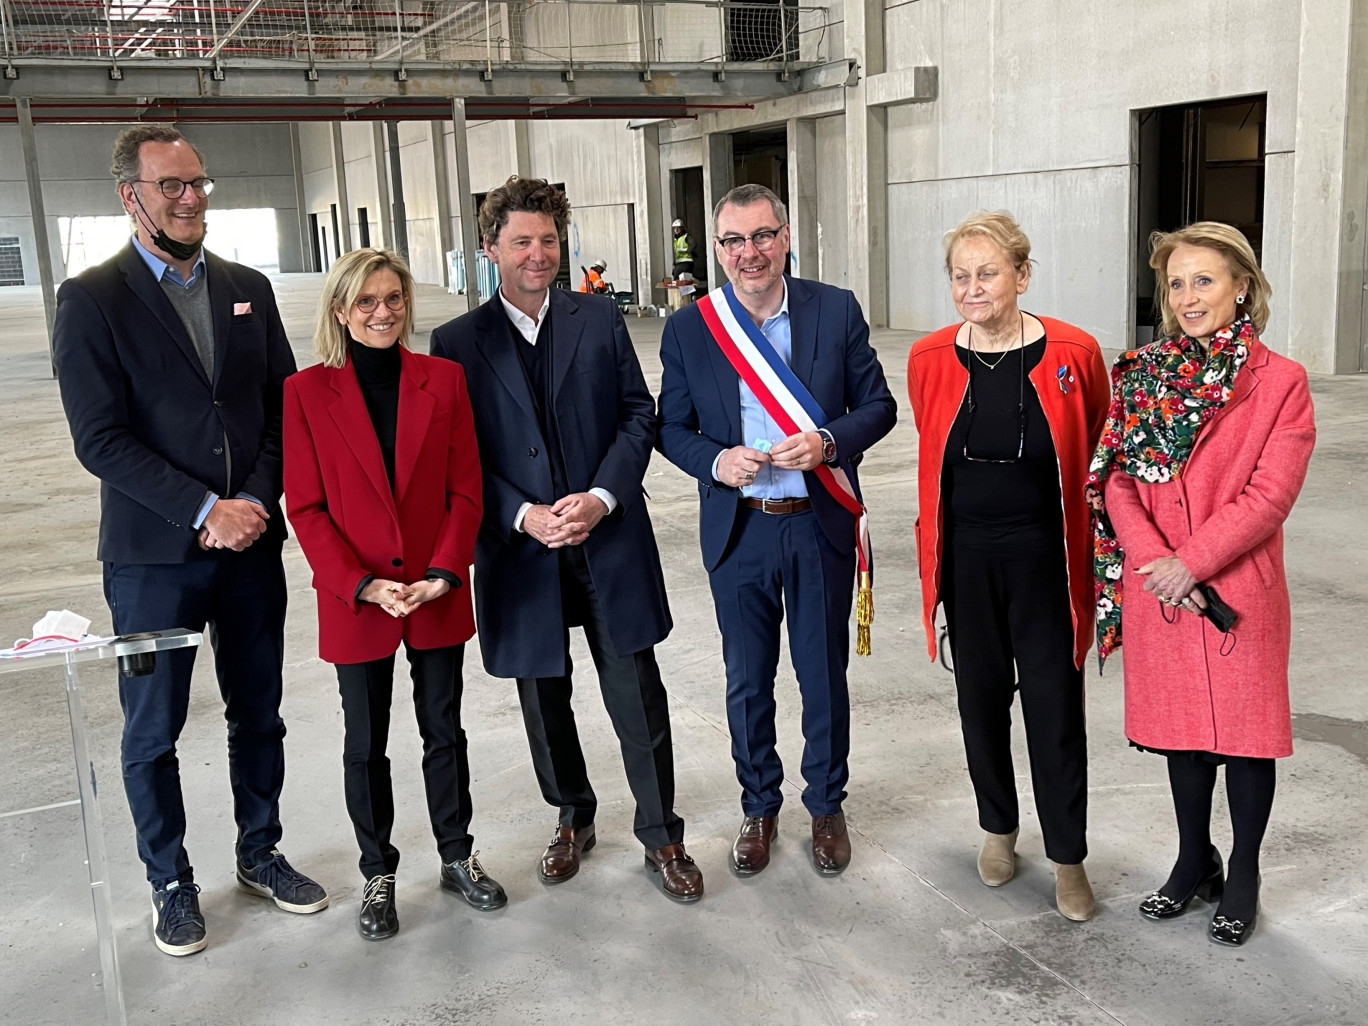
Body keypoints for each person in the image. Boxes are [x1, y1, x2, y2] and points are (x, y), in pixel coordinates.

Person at [52, 124, 327, 958]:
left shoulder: (248, 286)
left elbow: (285, 408)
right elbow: (98, 439)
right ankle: (170, 882)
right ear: (129, 196)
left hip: (249, 547)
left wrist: (252, 499)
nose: (191, 198)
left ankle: (259, 851)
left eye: (199, 183)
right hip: (152, 558)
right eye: (172, 186)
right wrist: (205, 507)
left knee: (260, 712)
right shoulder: (91, 298)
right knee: (151, 729)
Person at [429, 176, 702, 904]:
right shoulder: (456, 343)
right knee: (544, 698)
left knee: (636, 691)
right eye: (521, 241)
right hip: (523, 549)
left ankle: (661, 833)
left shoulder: (600, 319)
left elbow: (638, 416)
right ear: (489, 249)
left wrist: (604, 497)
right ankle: (572, 815)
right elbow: (457, 460)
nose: (539, 254)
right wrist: (522, 515)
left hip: (606, 538)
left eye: (549, 240)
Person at [657, 183, 896, 878]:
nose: (749, 253)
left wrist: (827, 440)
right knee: (747, 681)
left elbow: (878, 407)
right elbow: (671, 428)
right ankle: (759, 805)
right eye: (733, 241)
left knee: (822, 675)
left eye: (762, 236)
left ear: (786, 236)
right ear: (718, 248)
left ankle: (826, 804)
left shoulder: (835, 309)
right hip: (741, 531)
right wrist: (715, 460)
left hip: (816, 523)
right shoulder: (690, 327)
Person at [1089, 222, 1315, 946]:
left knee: (1246, 741)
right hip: (1161, 591)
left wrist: (1194, 561)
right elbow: (1116, 477)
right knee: (1182, 737)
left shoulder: (1279, 382)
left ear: (1242, 287)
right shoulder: (1141, 372)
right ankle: (1195, 859)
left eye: (1205, 281)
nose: (1188, 297)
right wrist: (1158, 561)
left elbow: (1269, 494)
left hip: (1236, 591)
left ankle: (1243, 870)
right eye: (1177, 283)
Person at [283, 248, 506, 941]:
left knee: (445, 730)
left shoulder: (443, 379)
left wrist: (442, 571)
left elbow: (466, 487)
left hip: (433, 589)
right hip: (359, 598)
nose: (383, 313)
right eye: (367, 303)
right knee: (365, 741)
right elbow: (307, 506)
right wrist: (360, 584)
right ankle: (377, 871)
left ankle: (455, 854)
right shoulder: (304, 393)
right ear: (340, 312)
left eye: (393, 299)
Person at [906, 211, 1109, 922]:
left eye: (987, 272)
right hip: (967, 559)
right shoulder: (931, 358)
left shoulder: (1076, 352)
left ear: (1021, 276)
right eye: (960, 276)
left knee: (1055, 711)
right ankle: (998, 828)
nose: (973, 287)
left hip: (1046, 561)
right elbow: (935, 461)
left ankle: (1068, 858)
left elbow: (1097, 454)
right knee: (981, 705)